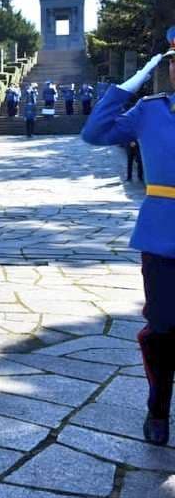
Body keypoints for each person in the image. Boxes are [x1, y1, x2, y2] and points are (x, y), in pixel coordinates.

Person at [81, 32, 175, 445]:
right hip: (162, 237)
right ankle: (158, 409)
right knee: (163, 327)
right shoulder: (151, 111)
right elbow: (95, 132)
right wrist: (127, 86)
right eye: (172, 61)